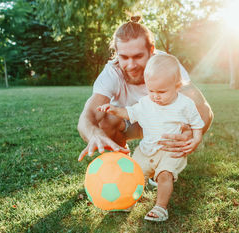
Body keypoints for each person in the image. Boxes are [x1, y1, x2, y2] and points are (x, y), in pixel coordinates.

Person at [77, 16, 213, 162]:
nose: (131, 65)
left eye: (138, 56)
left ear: (151, 51)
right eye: (124, 57)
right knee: (105, 120)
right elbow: (88, 115)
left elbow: (204, 110)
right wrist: (94, 134)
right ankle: (122, 161)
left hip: (164, 123)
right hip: (129, 121)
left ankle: (163, 164)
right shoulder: (112, 73)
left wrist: (191, 135)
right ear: (117, 53)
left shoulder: (167, 65)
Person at [97, 54, 204, 221]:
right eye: (151, 90)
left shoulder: (185, 104)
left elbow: (197, 123)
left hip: (170, 151)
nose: (155, 96)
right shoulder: (146, 103)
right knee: (134, 174)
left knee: (164, 175)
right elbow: (129, 113)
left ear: (177, 86)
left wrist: (196, 139)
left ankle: (161, 207)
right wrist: (114, 110)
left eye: (161, 91)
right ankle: (128, 200)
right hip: (146, 150)